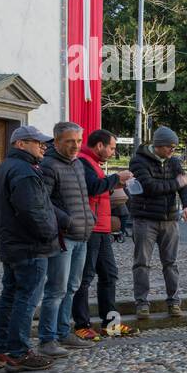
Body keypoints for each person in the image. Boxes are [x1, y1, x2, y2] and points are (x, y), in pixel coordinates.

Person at [0, 126, 62, 373]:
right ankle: (18, 352)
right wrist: (50, 233)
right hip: (29, 246)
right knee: (26, 299)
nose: (43, 146)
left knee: (9, 296)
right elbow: (33, 211)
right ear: (20, 144)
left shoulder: (4, 168)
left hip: (12, 244)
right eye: (37, 142)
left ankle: (2, 351)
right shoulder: (25, 172)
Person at [38, 122, 98, 357]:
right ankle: (47, 339)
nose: (75, 146)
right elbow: (44, 201)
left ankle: (63, 332)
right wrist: (67, 221)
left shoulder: (78, 164)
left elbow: (83, 197)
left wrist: (89, 217)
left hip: (82, 235)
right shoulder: (49, 165)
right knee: (56, 290)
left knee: (72, 287)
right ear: (57, 140)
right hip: (64, 237)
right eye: (70, 141)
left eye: (78, 141)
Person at [129, 126, 187, 321]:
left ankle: (174, 301)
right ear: (157, 145)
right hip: (145, 218)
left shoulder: (174, 162)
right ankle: (142, 302)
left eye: (175, 147)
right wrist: (178, 184)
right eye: (169, 147)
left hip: (169, 219)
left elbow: (185, 186)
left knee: (171, 263)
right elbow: (149, 187)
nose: (173, 151)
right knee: (142, 263)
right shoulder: (138, 161)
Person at [74, 129, 134, 340]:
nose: (113, 152)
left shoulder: (93, 165)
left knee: (109, 274)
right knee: (85, 277)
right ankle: (81, 324)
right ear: (99, 146)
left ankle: (111, 323)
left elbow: (99, 189)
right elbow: (92, 188)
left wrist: (113, 185)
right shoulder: (83, 162)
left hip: (102, 228)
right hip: (91, 229)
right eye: (112, 148)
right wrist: (116, 177)